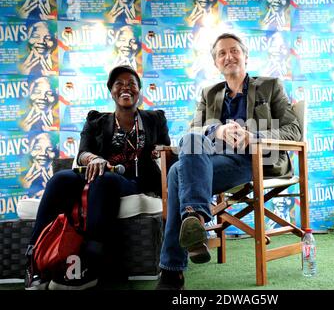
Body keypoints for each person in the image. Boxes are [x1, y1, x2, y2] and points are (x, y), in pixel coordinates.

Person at [156, 33, 301, 290]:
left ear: (245, 56)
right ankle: (196, 219)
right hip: (212, 160)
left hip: (254, 160)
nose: (228, 57)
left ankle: (172, 269)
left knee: (177, 172)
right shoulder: (209, 93)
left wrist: (253, 137)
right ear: (216, 63)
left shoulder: (270, 86)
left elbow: (294, 130)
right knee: (192, 140)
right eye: (222, 53)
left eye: (234, 51)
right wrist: (217, 131)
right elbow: (192, 134)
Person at [24, 65, 170, 290]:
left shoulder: (154, 119)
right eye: (119, 84)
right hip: (95, 173)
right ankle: (34, 261)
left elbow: (166, 148)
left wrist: (158, 150)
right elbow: (82, 153)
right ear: (111, 91)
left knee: (106, 180)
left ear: (139, 90)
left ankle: (93, 262)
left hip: (132, 181)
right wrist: (94, 159)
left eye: (131, 83)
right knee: (60, 179)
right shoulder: (96, 120)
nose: (125, 88)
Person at [22, 132, 57, 198]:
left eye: (49, 149)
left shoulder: (62, 177)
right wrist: (24, 189)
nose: (43, 153)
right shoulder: (22, 177)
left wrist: (54, 188)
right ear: (30, 152)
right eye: (37, 148)